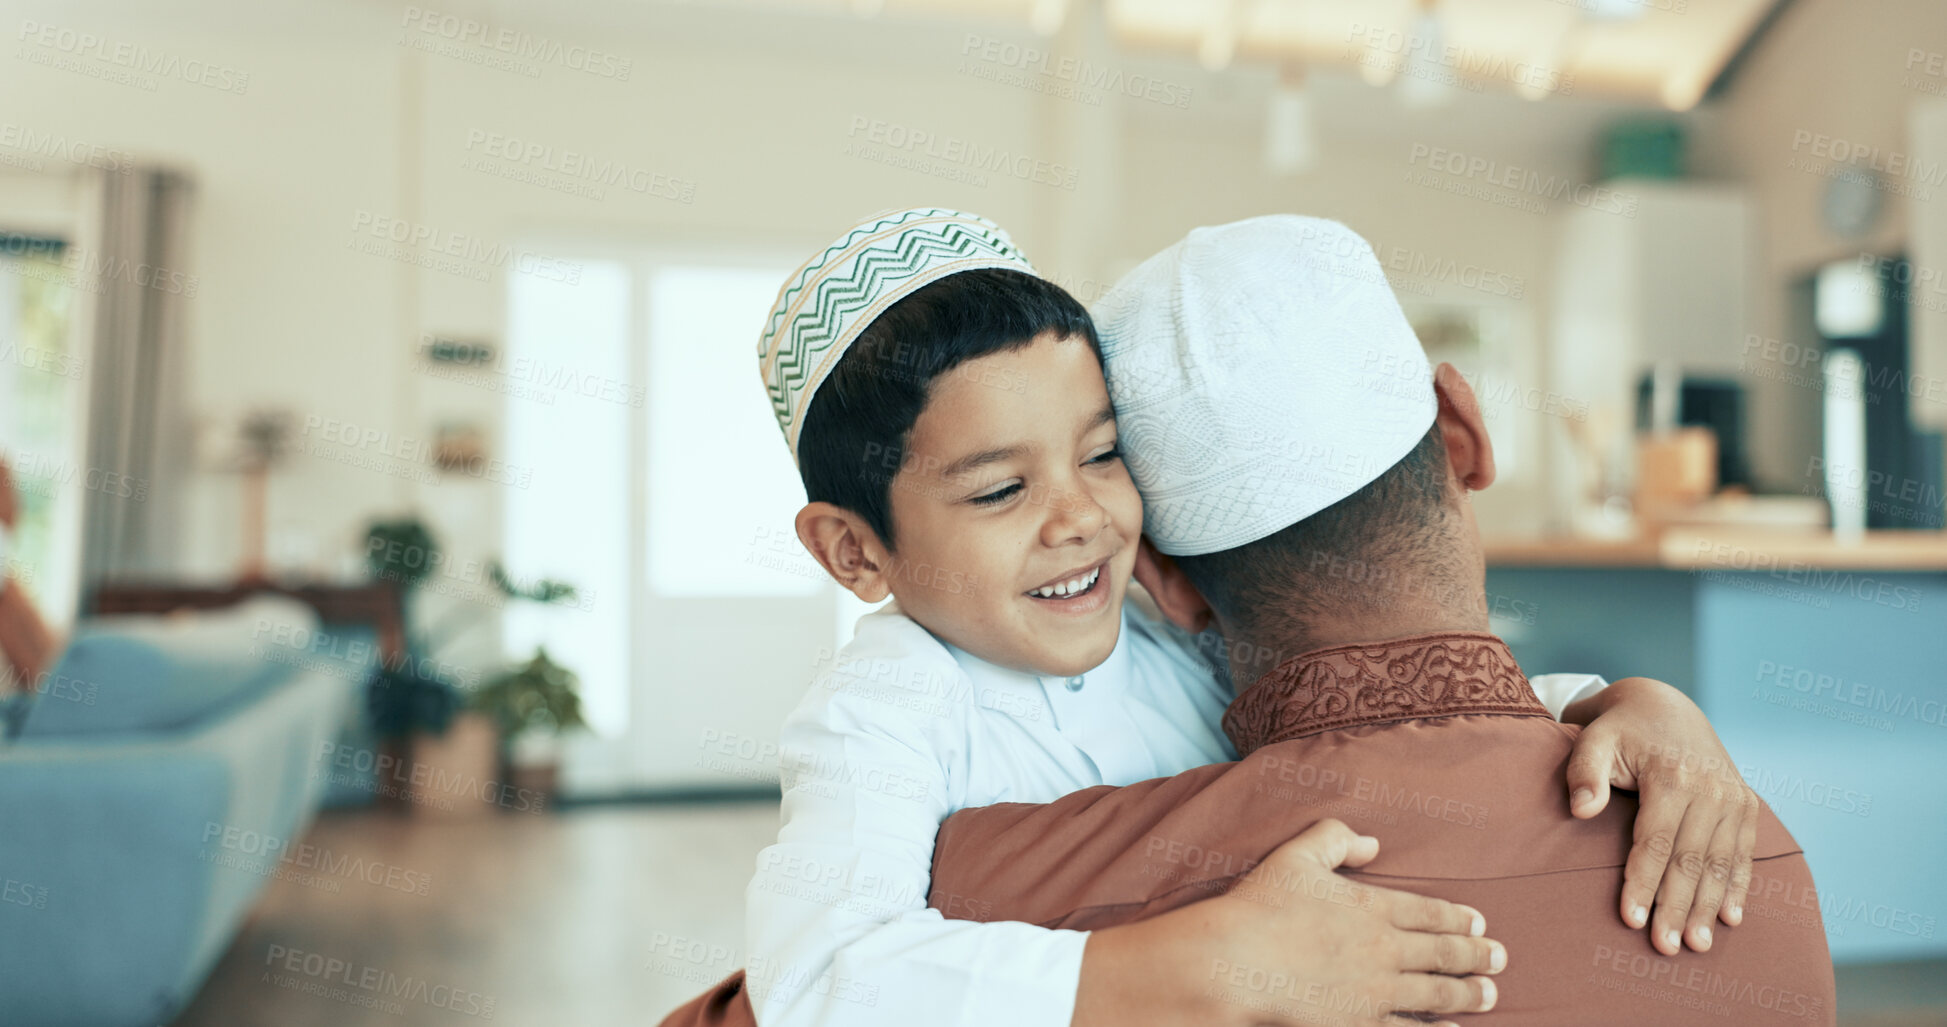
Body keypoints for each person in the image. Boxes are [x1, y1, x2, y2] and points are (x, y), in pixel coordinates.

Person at [685, 208, 1760, 1027]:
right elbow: (820, 976)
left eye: (1103, 455)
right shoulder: (884, 707)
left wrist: (1631, 708)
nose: (1082, 519)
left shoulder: (1170, 644)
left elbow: (1405, 719)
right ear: (854, 550)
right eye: (998, 491)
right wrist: (1208, 961)